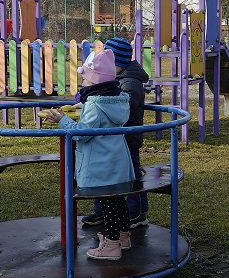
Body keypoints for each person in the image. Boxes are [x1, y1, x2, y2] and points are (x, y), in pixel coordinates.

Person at [45, 49, 135, 260]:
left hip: (100, 164)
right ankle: (123, 237)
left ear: (94, 83)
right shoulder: (118, 99)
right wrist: (84, 105)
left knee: (106, 202)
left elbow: (82, 134)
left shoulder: (95, 105)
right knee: (117, 199)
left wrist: (62, 121)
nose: (83, 84)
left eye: (85, 80)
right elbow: (102, 116)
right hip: (118, 163)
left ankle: (111, 246)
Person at [81, 36, 151, 229]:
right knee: (103, 173)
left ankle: (137, 212)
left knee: (132, 175)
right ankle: (102, 210)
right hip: (112, 136)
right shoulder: (117, 78)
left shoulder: (130, 82)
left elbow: (122, 106)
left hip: (127, 137)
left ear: (116, 63)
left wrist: (101, 99)